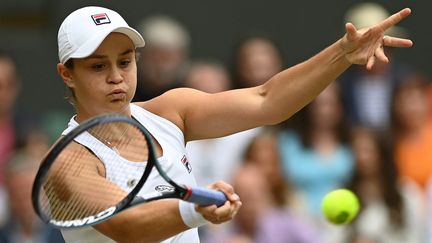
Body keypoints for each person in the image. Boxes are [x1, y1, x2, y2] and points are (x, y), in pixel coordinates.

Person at [53, 5, 412, 242]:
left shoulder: (170, 112)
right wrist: (194, 209)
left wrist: (342, 55)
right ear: (67, 74)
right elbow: (127, 225)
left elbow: (267, 100)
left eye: (125, 61)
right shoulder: (68, 163)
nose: (116, 77)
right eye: (98, 66)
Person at [338, 2, 412, 134]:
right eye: (369, 47)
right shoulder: (342, 85)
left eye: (385, 46)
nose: (379, 53)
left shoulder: (405, 81)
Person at [342, 127, 426, 243]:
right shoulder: (344, 192)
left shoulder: (407, 192)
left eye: (367, 151)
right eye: (356, 151)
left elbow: (415, 237)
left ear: (382, 154)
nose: (361, 157)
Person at [133, 14, 191, 101]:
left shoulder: (191, 90)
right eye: (155, 56)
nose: (162, 65)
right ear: (141, 55)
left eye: (169, 57)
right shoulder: (125, 90)